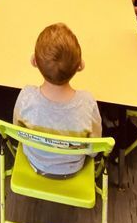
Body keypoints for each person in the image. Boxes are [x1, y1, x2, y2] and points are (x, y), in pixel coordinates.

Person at [13, 23, 102, 177]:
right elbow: (94, 149)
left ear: (34, 61)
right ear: (80, 66)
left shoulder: (26, 97)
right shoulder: (87, 103)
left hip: (36, 163)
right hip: (73, 168)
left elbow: (18, 130)